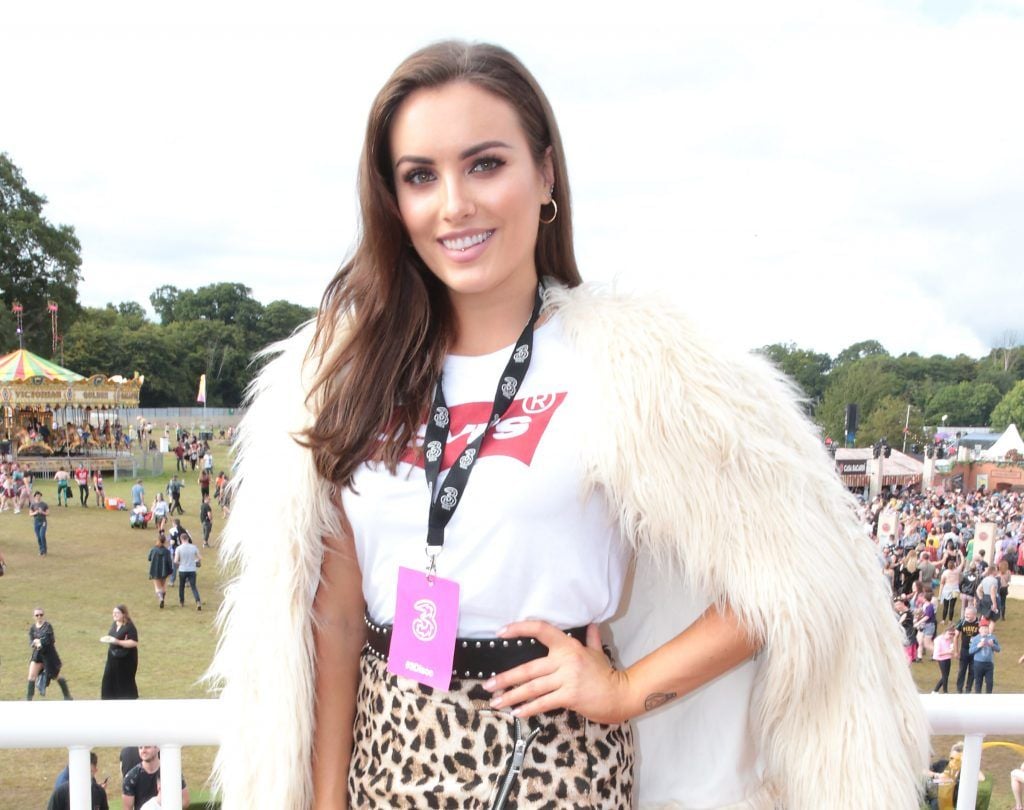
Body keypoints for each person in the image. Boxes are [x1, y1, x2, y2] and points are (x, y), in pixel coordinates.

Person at [207, 41, 928, 809]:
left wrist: (625, 691)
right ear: (394, 199)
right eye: (421, 175)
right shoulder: (353, 374)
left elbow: (791, 574)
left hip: (555, 760)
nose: (454, 204)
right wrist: (327, 799)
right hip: (390, 754)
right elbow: (341, 612)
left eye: (485, 164)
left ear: (544, 173)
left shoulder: (632, 367)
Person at [27, 607, 73, 700]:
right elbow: (31, 640)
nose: (39, 616)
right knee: (31, 676)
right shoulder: (33, 628)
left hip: (49, 655)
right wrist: (34, 643)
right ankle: (28, 699)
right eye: (37, 615)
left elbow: (51, 640)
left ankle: (67, 696)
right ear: (34, 617)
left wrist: (41, 642)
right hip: (38, 655)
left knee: (55, 675)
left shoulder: (47, 626)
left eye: (41, 615)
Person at [121, 746, 188, 810]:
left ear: (158, 748)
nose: (143, 751)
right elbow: (127, 808)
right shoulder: (131, 778)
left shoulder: (171, 772)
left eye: (147, 747)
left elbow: (185, 801)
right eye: (140, 748)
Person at [101, 604, 139, 700]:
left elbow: (134, 642)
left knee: (124, 681)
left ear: (124, 614)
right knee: (108, 680)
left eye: (117, 613)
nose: (115, 614)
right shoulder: (114, 624)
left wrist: (117, 642)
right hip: (113, 658)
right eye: (113, 613)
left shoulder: (129, 626)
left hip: (126, 659)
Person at [969, 617, 1001, 693]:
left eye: (986, 628)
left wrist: (992, 645)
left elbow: (998, 649)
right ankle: (978, 699)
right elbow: (970, 651)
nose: (985, 630)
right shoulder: (975, 639)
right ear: (979, 630)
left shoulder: (992, 637)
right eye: (983, 628)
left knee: (989, 682)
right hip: (978, 663)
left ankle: (988, 698)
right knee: (978, 682)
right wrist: (978, 646)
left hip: (989, 664)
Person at [955, 605, 981, 694]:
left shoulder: (979, 623)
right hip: (964, 650)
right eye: (966, 614)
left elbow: (984, 636)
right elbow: (956, 636)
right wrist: (956, 651)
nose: (966, 616)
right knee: (962, 670)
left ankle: (968, 689)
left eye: (968, 615)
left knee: (973, 670)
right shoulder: (962, 621)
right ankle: (959, 689)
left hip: (975, 651)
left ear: (974, 614)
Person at [173, 531, 202, 610]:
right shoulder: (194, 547)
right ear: (188, 539)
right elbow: (200, 557)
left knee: (181, 586)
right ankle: (198, 602)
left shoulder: (178, 548)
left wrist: (180, 562)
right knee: (193, 587)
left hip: (182, 569)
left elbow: (175, 561)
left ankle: (182, 601)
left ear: (181, 539)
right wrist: (195, 561)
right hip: (192, 569)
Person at [147, 533, 173, 609]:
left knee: (157, 586)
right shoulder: (167, 551)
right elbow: (169, 561)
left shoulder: (153, 549)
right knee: (163, 586)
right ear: (164, 541)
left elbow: (149, 558)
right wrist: (170, 570)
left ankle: (160, 598)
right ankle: (162, 598)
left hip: (155, 569)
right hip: (164, 570)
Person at [932, 625, 956, 693]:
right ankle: (945, 691)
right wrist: (948, 652)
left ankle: (935, 691)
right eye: (950, 634)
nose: (951, 636)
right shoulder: (938, 640)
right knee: (945, 676)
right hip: (941, 659)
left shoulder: (949, 639)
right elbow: (938, 653)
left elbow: (950, 649)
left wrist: (951, 652)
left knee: (945, 676)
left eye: (953, 634)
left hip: (947, 658)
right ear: (945, 632)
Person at [30, 490, 50, 556]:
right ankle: (41, 550)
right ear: (35, 497)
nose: (38, 497)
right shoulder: (33, 504)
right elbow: (30, 514)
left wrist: (42, 512)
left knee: (42, 535)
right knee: (38, 537)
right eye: (36, 496)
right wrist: (35, 512)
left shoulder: (44, 504)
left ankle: (44, 551)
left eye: (39, 496)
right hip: (36, 522)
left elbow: (48, 513)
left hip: (43, 522)